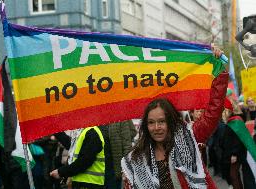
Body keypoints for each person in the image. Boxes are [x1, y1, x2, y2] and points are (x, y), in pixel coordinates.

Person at [121, 48, 228, 189]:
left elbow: (213, 112)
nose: (156, 127)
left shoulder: (190, 135)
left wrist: (219, 72)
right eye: (151, 123)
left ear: (170, 121)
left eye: (161, 121)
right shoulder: (136, 158)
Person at [50, 126, 114, 189]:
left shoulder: (92, 132)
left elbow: (84, 161)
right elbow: (71, 147)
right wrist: (55, 129)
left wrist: (61, 172)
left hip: (89, 184)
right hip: (82, 182)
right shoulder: (83, 132)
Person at [108, 120, 137, 189]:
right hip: (104, 164)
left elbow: (132, 133)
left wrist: (126, 167)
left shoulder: (121, 118)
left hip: (115, 165)